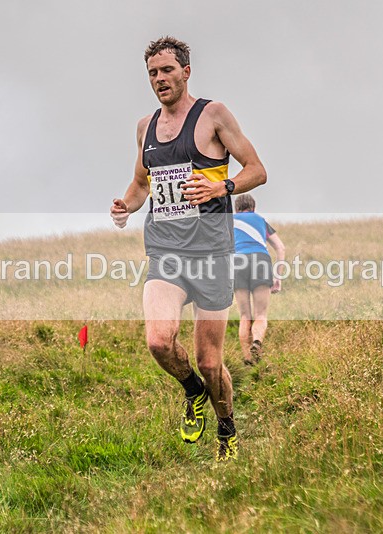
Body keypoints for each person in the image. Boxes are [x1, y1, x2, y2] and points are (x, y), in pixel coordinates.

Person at [110, 36, 267, 462]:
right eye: (152, 74)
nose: (159, 79)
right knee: (159, 342)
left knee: (211, 360)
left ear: (186, 72)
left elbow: (257, 170)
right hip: (166, 251)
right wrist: (127, 204)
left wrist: (223, 185)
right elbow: (142, 184)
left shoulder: (213, 115)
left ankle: (226, 426)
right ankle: (192, 392)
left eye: (166, 71)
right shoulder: (144, 127)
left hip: (213, 253)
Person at [232, 194, 285, 365]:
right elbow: (280, 248)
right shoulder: (260, 220)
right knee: (260, 314)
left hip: (238, 262)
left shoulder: (228, 221)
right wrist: (278, 276)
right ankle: (257, 341)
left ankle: (248, 359)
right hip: (260, 261)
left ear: (236, 209)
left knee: (244, 315)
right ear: (253, 208)